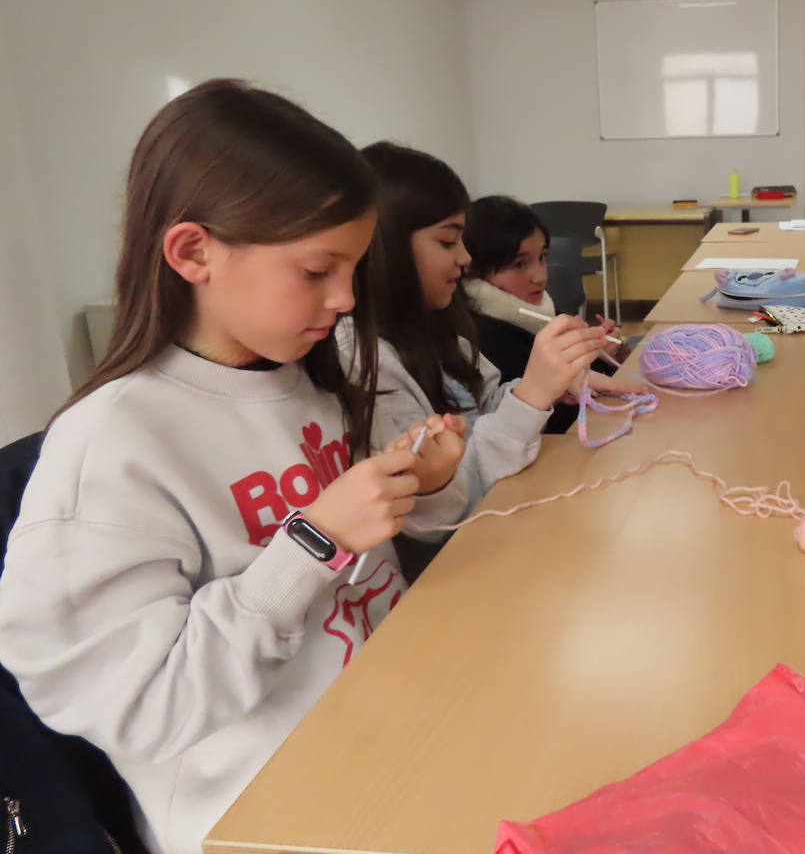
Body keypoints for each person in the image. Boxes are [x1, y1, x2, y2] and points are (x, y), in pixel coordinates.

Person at [0, 80, 467, 854]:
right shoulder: (115, 442)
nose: (347, 299)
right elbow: (141, 705)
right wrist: (313, 539)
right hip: (269, 814)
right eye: (318, 270)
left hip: (394, 729)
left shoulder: (310, 386)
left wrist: (426, 485)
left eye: (353, 268)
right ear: (193, 252)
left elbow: (370, 568)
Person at [357, 145, 638, 576]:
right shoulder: (369, 363)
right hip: (458, 564)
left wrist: (553, 388)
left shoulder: (441, 327)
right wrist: (531, 396)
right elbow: (433, 516)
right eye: (448, 241)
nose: (464, 259)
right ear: (386, 248)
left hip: (502, 519)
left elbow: (486, 402)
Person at [462, 195, 622, 434]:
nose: (540, 277)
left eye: (543, 258)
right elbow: (549, 422)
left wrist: (597, 351)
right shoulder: (483, 336)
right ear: (476, 267)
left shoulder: (535, 308)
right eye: (519, 265)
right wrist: (587, 360)